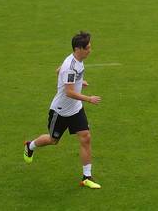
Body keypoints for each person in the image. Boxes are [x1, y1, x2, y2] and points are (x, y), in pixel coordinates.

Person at [23, 31, 103, 189]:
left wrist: (79, 81)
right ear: (78, 48)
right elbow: (69, 92)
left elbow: (58, 70)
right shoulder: (70, 66)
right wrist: (89, 98)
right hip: (60, 111)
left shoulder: (76, 60)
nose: (90, 50)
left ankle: (87, 176)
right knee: (53, 140)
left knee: (86, 137)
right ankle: (30, 145)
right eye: (87, 48)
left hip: (76, 109)